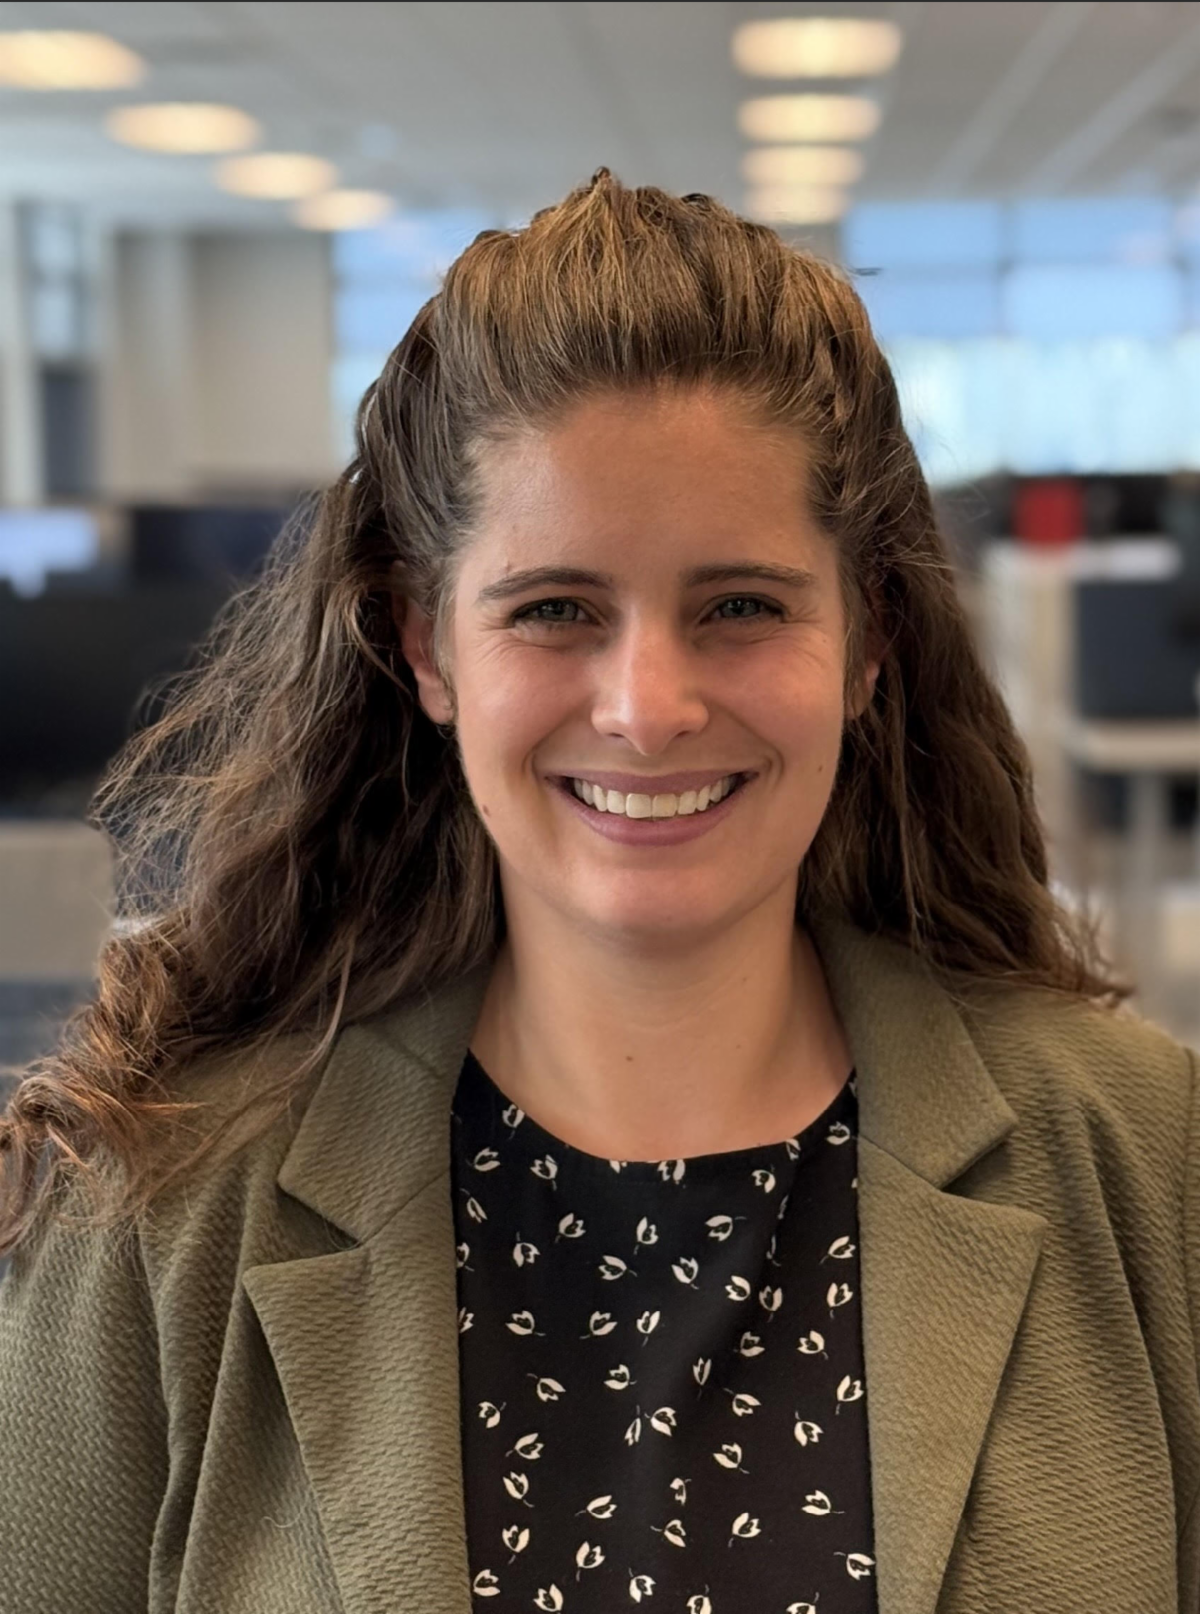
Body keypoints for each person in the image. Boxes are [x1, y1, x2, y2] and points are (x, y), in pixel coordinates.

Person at [0, 170, 1196, 1614]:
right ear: (427, 649)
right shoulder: (154, 1216)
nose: (647, 707)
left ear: (869, 640)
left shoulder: (1150, 1164)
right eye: (556, 609)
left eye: (739, 606)